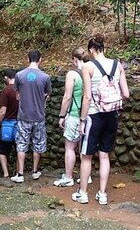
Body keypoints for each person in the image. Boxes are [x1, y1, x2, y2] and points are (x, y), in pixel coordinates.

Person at [72, 34, 129, 204]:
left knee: (86, 156)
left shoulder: (88, 67)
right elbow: (126, 94)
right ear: (104, 48)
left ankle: (83, 193)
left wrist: (82, 120)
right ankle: (102, 194)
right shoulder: (117, 65)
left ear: (91, 50)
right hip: (112, 115)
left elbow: (87, 97)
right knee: (104, 156)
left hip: (93, 116)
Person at [10, 49, 52, 183]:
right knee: (38, 144)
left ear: (27, 59)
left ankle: (20, 174)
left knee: (21, 144)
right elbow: (47, 95)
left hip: (23, 116)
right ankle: (35, 171)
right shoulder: (45, 77)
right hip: (39, 116)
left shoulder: (19, 75)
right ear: (40, 59)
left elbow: (17, 94)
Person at [54, 47, 89, 187]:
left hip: (74, 114)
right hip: (87, 115)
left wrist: (62, 115)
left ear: (74, 59)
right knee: (84, 148)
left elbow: (67, 97)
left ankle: (68, 177)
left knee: (70, 147)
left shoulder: (72, 74)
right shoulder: (91, 71)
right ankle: (85, 176)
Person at [0, 69, 19, 178]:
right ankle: (19, 172)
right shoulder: (21, 89)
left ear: (6, 77)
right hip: (21, 124)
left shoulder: (6, 91)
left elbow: (3, 111)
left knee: (2, 151)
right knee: (19, 150)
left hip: (8, 125)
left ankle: (6, 174)